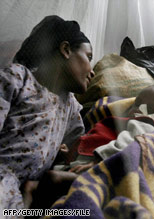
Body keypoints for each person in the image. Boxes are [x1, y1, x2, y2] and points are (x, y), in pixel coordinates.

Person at [0, 15, 95, 210]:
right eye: (89, 57)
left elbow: (75, 148)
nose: (92, 71)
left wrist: (67, 156)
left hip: (24, 195)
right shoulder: (18, 78)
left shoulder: (71, 107)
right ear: (66, 50)